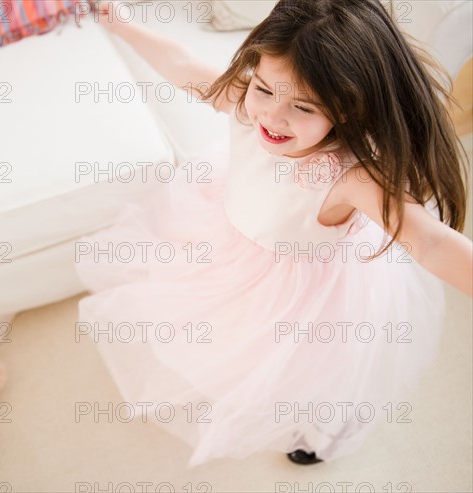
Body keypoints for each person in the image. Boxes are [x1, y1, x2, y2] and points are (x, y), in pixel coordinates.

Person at [74, 0, 473, 467]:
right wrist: (122, 25)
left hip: (308, 297)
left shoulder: (354, 177)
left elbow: (430, 240)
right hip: (229, 248)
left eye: (302, 106)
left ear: (348, 109)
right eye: (265, 88)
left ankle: (322, 429)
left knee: (315, 375)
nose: (272, 117)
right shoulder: (246, 101)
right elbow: (182, 65)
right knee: (229, 348)